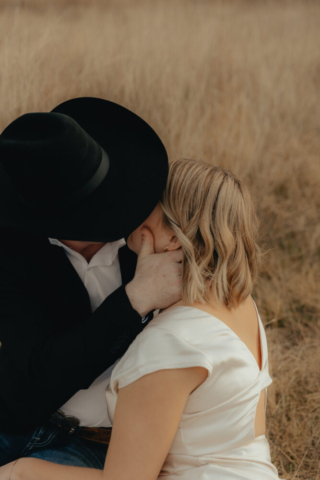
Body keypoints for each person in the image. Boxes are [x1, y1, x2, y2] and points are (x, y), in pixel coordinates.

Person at [0, 159, 280, 480]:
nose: (129, 206)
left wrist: (21, 472)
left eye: (146, 203)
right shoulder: (240, 303)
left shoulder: (169, 341)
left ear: (175, 238)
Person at [0, 98, 182, 469]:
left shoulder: (153, 238)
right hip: (17, 418)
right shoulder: (13, 245)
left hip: (100, 442)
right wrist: (136, 298)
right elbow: (40, 373)